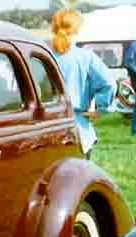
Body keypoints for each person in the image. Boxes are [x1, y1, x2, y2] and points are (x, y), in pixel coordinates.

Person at [50, 9, 115, 158]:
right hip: (77, 127)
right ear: (77, 30)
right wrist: (102, 108)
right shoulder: (85, 57)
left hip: (45, 130)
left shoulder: (41, 54)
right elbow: (109, 83)